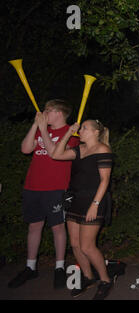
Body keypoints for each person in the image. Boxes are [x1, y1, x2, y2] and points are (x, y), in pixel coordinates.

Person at [8, 100, 79, 289]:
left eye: (48, 110)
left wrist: (44, 131)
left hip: (56, 187)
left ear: (60, 113)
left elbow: (53, 153)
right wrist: (35, 126)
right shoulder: (40, 130)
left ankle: (59, 267)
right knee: (34, 226)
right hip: (32, 186)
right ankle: (30, 267)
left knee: (57, 227)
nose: (44, 112)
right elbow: (25, 149)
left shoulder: (71, 133)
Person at [51, 119, 114, 299]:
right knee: (75, 244)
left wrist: (94, 205)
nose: (80, 130)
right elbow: (56, 154)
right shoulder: (79, 150)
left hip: (94, 200)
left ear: (95, 132)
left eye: (84, 128)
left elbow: (105, 181)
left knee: (87, 246)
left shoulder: (103, 149)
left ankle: (105, 280)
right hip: (75, 199)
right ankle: (87, 277)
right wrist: (68, 134)